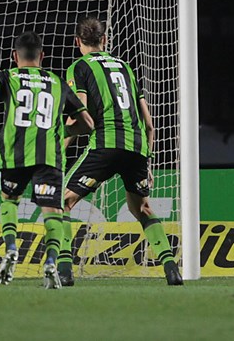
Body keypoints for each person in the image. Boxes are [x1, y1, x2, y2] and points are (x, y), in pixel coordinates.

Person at [59, 16, 183, 286]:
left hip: (106, 145)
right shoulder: (125, 66)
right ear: (104, 40)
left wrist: (60, 144)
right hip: (137, 148)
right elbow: (149, 124)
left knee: (63, 203)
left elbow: (80, 117)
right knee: (143, 209)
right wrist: (147, 162)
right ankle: (171, 268)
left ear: (77, 41)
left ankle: (64, 270)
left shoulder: (78, 67)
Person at [0, 31, 93, 289]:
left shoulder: (8, 76)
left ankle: (12, 247)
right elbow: (87, 123)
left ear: (15, 56)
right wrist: (67, 131)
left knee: (10, 201)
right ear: (42, 56)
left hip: (13, 153)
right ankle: (50, 261)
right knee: (53, 210)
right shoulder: (57, 81)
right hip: (49, 155)